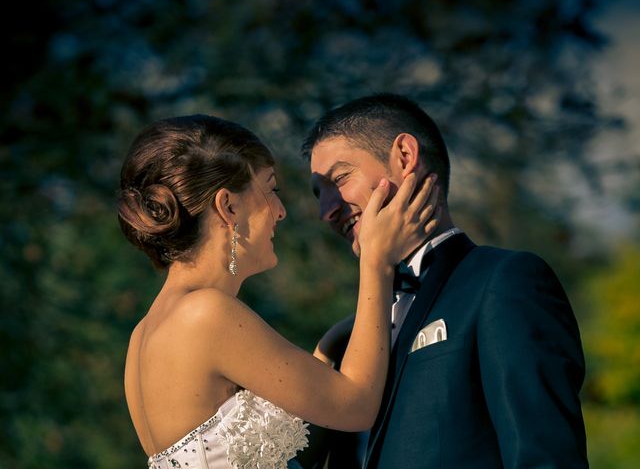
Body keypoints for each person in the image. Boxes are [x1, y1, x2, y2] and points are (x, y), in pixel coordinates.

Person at [117, 114, 440, 468]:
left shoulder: (143, 334)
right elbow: (357, 406)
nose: (281, 212)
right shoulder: (205, 313)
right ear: (228, 206)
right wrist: (377, 262)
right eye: (271, 189)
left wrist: (327, 351)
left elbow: (290, 458)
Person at [300, 93, 588, 468]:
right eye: (319, 193)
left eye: (339, 178)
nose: (327, 210)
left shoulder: (503, 282)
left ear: (405, 156)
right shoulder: (349, 339)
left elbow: (545, 459)